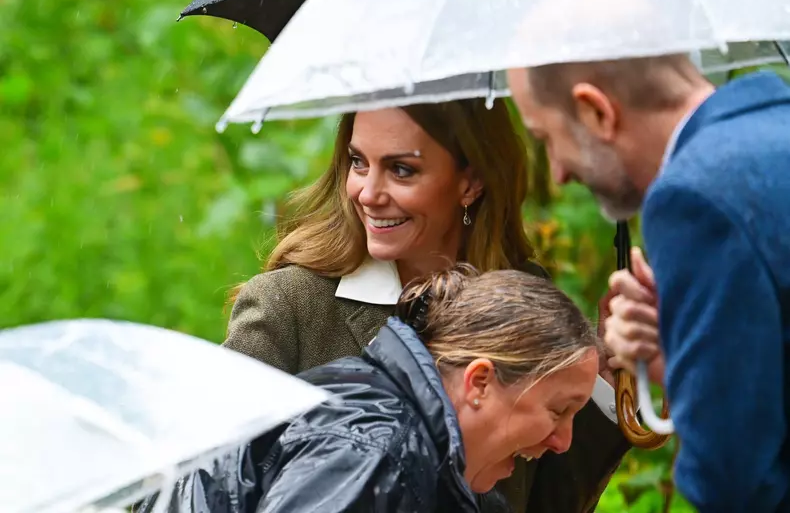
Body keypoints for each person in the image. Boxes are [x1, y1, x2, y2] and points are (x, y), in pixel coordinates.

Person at [225, 99, 630, 512]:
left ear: (471, 181)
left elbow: (541, 502)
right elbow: (225, 486)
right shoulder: (288, 308)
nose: (367, 193)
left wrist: (600, 382)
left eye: (401, 170)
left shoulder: (521, 295)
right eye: (358, 162)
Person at [507, 56, 790, 511]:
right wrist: (687, 355)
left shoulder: (694, 195)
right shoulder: (776, 124)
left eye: (548, 139)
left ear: (595, 111)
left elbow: (731, 479)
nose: (558, 172)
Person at [140, 265, 601, 513]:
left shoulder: (438, 467)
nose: (562, 442)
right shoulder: (371, 450)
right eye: (558, 410)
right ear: (479, 381)